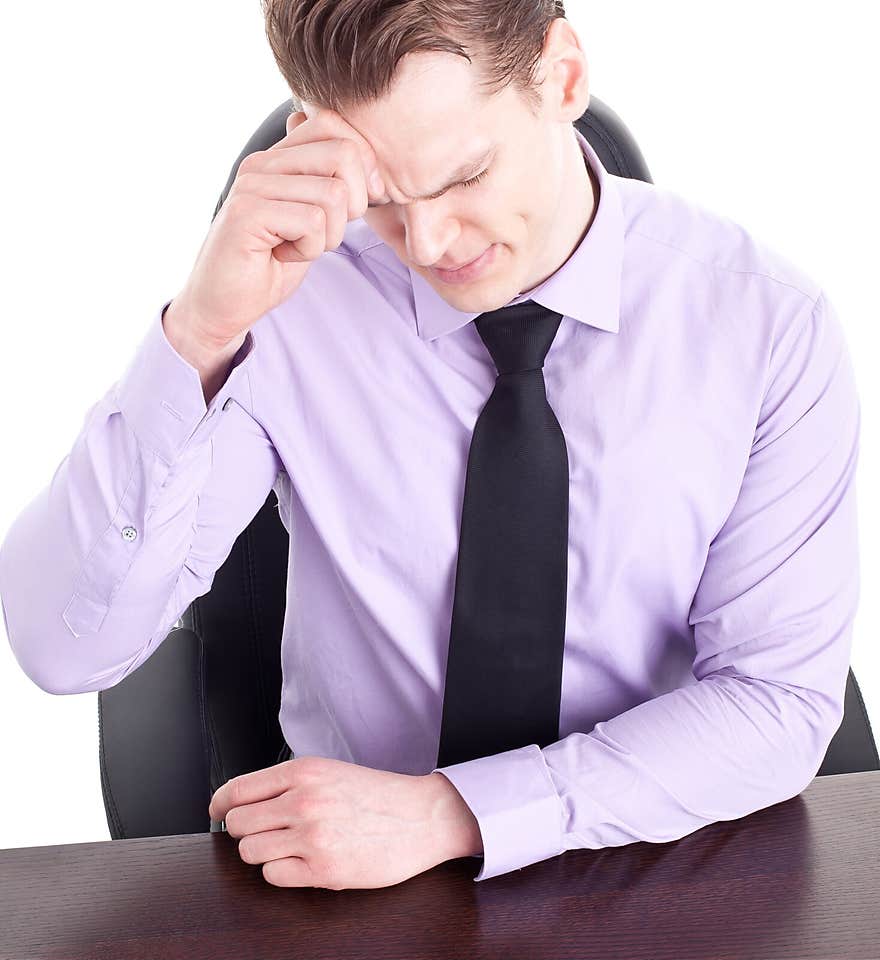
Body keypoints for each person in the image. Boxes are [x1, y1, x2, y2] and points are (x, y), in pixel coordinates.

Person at [0, 0, 861, 891]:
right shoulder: (295, 306)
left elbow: (777, 702)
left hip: (653, 856)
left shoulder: (766, 326)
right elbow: (68, 650)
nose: (430, 243)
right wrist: (200, 336)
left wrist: (457, 811)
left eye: (463, 177)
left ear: (563, 75)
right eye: (382, 201)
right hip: (362, 894)